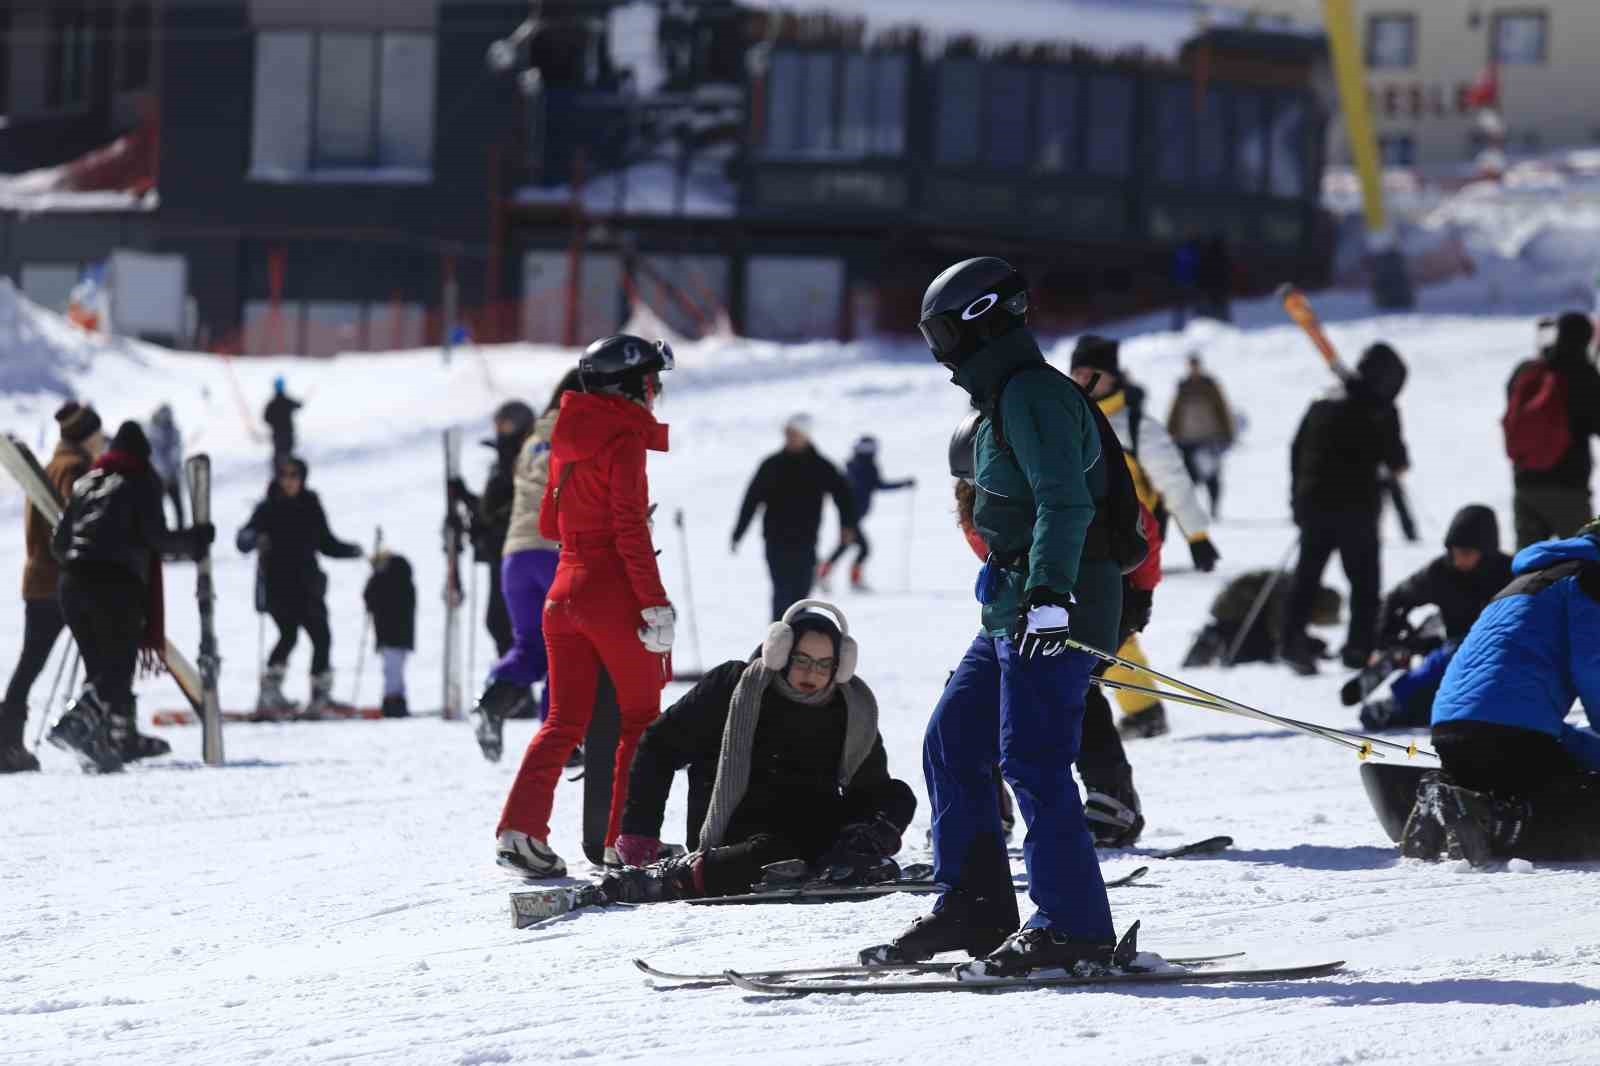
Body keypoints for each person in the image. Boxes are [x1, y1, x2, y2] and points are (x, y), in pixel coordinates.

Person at [863, 256, 1134, 979]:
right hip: (1014, 606)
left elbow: (1064, 503)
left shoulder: (1034, 396)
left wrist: (1050, 593)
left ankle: (1074, 927)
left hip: (1058, 602)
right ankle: (974, 905)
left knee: (1036, 761)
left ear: (981, 320)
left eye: (943, 331)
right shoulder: (999, 401)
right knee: (953, 740)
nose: (938, 350)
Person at [495, 335, 676, 878]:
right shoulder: (623, 438)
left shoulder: (565, 434)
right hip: (609, 590)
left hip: (562, 588)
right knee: (641, 718)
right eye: (653, 382)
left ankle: (519, 830)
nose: (657, 393)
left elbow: (551, 523)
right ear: (636, 385)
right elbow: (626, 529)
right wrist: (654, 603)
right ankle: (628, 840)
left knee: (562, 720)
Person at [599, 602, 917, 902]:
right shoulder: (732, 687)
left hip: (811, 827)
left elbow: (870, 788)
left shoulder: (850, 708)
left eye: (824, 665)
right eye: (802, 660)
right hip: (738, 833)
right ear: (779, 652)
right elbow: (658, 746)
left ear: (840, 666)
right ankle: (685, 877)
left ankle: (849, 861)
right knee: (783, 846)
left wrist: (868, 834)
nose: (812, 674)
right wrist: (640, 831)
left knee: (898, 796)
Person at [952, 441, 1157, 848]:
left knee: (1070, 687)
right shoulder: (975, 506)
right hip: (1029, 605)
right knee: (977, 693)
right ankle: (984, 805)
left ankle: (1112, 799)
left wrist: (1142, 594)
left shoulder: (1055, 474)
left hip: (1106, 594)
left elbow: (1141, 528)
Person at [1400, 519, 1600, 867]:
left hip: (1451, 727)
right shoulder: (1591, 578)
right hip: (1508, 732)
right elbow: (1592, 666)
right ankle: (1490, 818)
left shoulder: (1530, 579)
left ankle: (1449, 793)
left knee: (1535, 766)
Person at [1068, 335, 1221, 739]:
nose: (1083, 379)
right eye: (1077, 371)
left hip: (1130, 543)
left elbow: (1174, 482)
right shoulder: (1067, 417)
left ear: (1113, 375)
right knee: (1098, 627)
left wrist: (1198, 535)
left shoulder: (1137, 426)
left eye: (1091, 373)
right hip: (1077, 539)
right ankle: (1139, 708)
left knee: (1109, 627)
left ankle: (1144, 710)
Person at [46, 421, 212, 773]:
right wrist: (195, 539)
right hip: (115, 585)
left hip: (72, 585)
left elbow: (59, 544)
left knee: (100, 664)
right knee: (117, 665)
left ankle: (112, 738)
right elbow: (156, 539)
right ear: (144, 454)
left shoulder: (87, 480)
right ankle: (77, 724)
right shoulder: (141, 480)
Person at [1279, 342, 1411, 675]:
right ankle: (1359, 648)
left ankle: (1290, 640)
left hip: (1314, 503)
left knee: (1307, 575)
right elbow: (1397, 462)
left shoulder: (1323, 400)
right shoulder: (1381, 409)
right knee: (1364, 582)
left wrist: (1297, 497)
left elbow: (1296, 449)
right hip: (1358, 509)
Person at [472, 370, 581, 761]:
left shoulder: (532, 441)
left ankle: (491, 702)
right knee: (568, 645)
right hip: (555, 551)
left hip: (516, 557)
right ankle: (562, 735)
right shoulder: (580, 434)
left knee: (531, 645)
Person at [1, 403, 105, 772]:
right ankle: (97, 730)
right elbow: (70, 524)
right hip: (60, 580)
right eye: (98, 434)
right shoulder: (74, 469)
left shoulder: (53, 465)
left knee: (32, 662)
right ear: (87, 436)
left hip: (41, 579)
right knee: (101, 657)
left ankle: (7, 740)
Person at [1357, 504, 1514, 731]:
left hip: (1498, 653)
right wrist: (1386, 640)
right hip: (1454, 649)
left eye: (1467, 554)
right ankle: (1398, 705)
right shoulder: (1440, 572)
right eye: (1455, 552)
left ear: (1486, 551)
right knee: (1438, 678)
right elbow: (1396, 598)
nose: (1459, 560)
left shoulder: (1509, 572)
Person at [236, 457, 363, 717]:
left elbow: (326, 542)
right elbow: (243, 538)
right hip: (278, 585)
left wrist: (351, 550)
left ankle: (318, 696)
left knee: (321, 637)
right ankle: (272, 693)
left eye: (294, 475)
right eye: (285, 474)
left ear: (303, 478)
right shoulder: (268, 507)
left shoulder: (311, 505)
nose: (289, 480)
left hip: (308, 584)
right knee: (290, 634)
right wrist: (253, 538)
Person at [732, 415, 859, 621]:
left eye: (794, 433)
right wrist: (739, 532)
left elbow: (842, 495)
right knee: (782, 592)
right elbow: (751, 499)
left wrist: (847, 525)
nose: (789, 437)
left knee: (801, 595)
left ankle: (798, 642)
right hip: (775, 540)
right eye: (787, 433)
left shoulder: (821, 466)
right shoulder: (771, 465)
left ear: (805, 436)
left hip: (806, 540)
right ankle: (777, 643)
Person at [1503, 312, 1600, 549]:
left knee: (1527, 566)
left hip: (1525, 483)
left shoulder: (1527, 371)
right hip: (1569, 487)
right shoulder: (1583, 375)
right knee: (1581, 563)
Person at [451, 399, 537, 660]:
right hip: (498, 551)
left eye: (505, 424)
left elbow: (509, 506)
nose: (499, 430)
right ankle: (514, 686)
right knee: (498, 622)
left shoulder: (527, 459)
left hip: (518, 551)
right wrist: (465, 498)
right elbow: (491, 508)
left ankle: (519, 687)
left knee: (509, 622)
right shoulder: (503, 460)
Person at [1182, 570, 1341, 668]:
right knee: (1255, 650)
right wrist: (1299, 647)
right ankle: (1212, 641)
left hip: (1241, 607)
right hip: (1237, 609)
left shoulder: (1300, 589)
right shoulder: (1293, 591)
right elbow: (1277, 626)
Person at [818, 436, 914, 593]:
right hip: (851, 516)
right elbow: (879, 485)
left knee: (847, 546)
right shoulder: (865, 467)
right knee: (862, 548)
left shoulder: (855, 465)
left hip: (850, 515)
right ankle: (840, 578)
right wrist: (903, 484)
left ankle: (825, 574)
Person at [1166, 354, 1235, 518]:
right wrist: (1170, 432)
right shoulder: (1183, 386)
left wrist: (1227, 432)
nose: (1193, 369)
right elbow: (1175, 411)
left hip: (1209, 437)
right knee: (1189, 476)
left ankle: (1214, 509)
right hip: (1188, 438)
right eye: (1191, 365)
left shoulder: (1209, 385)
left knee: (1212, 476)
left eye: (1195, 365)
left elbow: (1222, 408)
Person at [362, 548, 416, 718]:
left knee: (392, 670)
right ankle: (396, 699)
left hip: (390, 635)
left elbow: (371, 599)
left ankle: (393, 701)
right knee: (394, 669)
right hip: (399, 635)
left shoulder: (386, 581)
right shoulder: (402, 580)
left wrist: (374, 583)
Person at [146, 403, 185, 527]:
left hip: (173, 477)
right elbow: (154, 455)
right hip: (159, 478)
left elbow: (177, 452)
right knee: (156, 509)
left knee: (179, 509)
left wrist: (175, 468)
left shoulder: (174, 430)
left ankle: (181, 530)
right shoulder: (152, 431)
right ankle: (159, 532)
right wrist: (163, 473)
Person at [263, 377, 302, 469]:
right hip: (288, 433)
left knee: (279, 454)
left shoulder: (272, 403)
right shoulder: (288, 401)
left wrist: (273, 423)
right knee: (288, 453)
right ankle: (288, 472)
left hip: (277, 434)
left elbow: (265, 418)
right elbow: (299, 405)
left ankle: (279, 472)